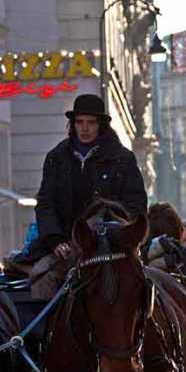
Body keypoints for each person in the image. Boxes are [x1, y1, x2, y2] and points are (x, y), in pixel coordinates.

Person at [34, 93, 147, 259]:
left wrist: (123, 237)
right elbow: (46, 203)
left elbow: (136, 204)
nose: (85, 128)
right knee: (41, 279)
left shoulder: (122, 158)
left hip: (114, 248)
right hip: (65, 247)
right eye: (80, 122)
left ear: (100, 125)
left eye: (91, 122)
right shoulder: (57, 158)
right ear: (73, 124)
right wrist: (55, 240)